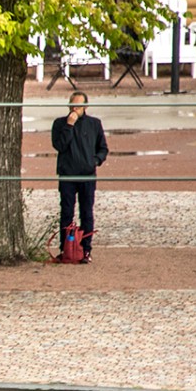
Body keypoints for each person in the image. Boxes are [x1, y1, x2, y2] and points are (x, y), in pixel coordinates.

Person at [50, 91, 108, 263]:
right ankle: (66, 248)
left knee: (86, 213)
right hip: (67, 175)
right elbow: (59, 145)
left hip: (87, 175)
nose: (75, 109)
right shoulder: (59, 123)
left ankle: (85, 249)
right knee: (67, 212)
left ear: (86, 106)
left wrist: (95, 161)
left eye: (79, 106)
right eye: (73, 106)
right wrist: (69, 125)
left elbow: (103, 148)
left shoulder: (94, 124)